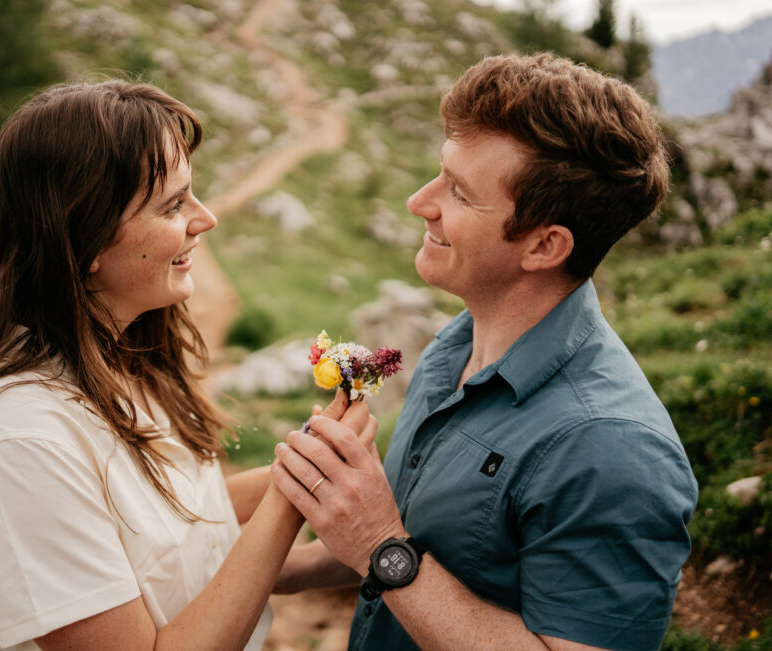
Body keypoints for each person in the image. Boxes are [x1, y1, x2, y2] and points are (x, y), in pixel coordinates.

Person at [0, 79, 374, 650]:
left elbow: (171, 523)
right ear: (88, 238)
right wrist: (291, 494)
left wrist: (324, 483)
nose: (206, 220)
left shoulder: (124, 363)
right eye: (174, 204)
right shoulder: (15, 441)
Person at [270, 54, 699, 651]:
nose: (421, 202)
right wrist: (273, 568)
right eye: (440, 172)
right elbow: (407, 539)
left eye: (460, 194)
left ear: (544, 245)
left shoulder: (613, 450)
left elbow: (389, 545)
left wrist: (378, 545)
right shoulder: (457, 344)